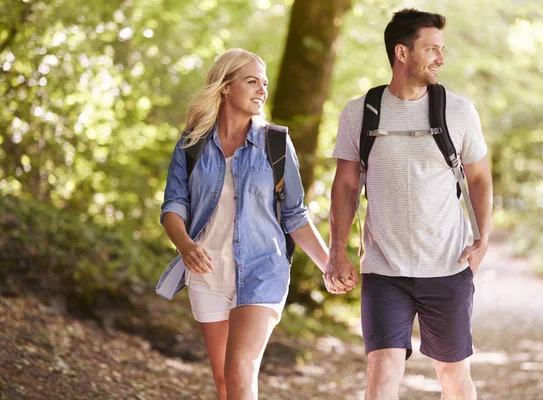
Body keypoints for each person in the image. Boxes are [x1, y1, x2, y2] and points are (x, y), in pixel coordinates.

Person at [324, 8, 493, 400]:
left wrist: (484, 237)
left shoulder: (459, 110)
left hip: (448, 266)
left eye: (442, 49)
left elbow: (480, 178)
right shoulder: (360, 113)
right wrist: (337, 252)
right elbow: (346, 186)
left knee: (453, 374)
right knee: (381, 371)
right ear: (402, 53)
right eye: (432, 49)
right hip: (385, 269)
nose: (441, 58)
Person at [156, 48, 329, 400]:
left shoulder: (276, 142)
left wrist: (331, 265)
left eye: (264, 83)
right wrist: (185, 246)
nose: (262, 90)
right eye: (252, 82)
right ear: (225, 87)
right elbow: (174, 206)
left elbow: (294, 215)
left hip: (263, 267)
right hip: (208, 272)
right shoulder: (192, 145)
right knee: (224, 381)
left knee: (240, 369)